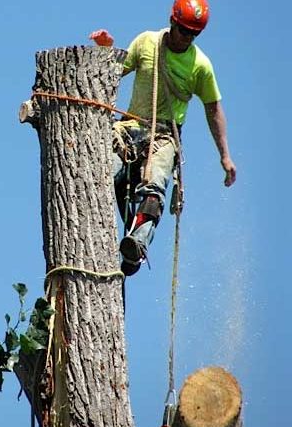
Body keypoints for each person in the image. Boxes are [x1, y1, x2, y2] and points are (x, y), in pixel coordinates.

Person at [90, 0, 237, 276]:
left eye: (193, 34)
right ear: (172, 22)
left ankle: (137, 245)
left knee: (154, 189)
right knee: (101, 175)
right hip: (129, 128)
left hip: (164, 136)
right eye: (183, 31)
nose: (187, 38)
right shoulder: (147, 43)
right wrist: (105, 52)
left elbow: (213, 108)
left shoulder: (200, 66)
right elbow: (112, 74)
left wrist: (225, 155)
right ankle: (96, 231)